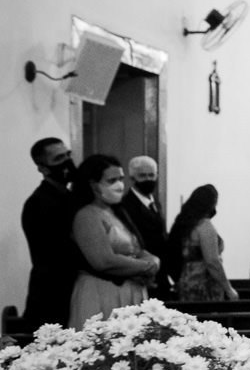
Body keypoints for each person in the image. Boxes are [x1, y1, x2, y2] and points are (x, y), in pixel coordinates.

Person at [68, 154, 159, 329]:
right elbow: (103, 261)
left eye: (121, 179)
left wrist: (153, 260)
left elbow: (137, 247)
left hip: (129, 290)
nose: (119, 185)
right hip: (102, 292)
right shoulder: (87, 215)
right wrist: (147, 266)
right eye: (112, 180)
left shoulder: (117, 212)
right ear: (93, 185)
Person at [21, 138, 79, 327]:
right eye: (59, 158)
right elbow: (56, 253)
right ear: (43, 168)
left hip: (71, 290)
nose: (67, 161)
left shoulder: (69, 196)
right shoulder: (38, 203)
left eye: (68, 154)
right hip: (52, 295)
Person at [166, 185, 238, 301]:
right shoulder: (204, 226)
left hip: (186, 283)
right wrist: (229, 289)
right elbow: (212, 262)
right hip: (205, 286)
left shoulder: (184, 225)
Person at [120, 155, 171, 299]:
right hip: (142, 273)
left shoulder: (155, 203)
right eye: (143, 176)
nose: (148, 179)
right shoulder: (125, 205)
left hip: (161, 273)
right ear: (132, 178)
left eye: (151, 175)